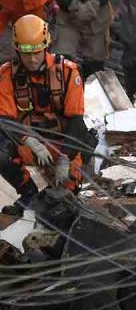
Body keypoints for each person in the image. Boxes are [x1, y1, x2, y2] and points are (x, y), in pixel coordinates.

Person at [0, 15, 89, 215]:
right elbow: (4, 119)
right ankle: (28, 192)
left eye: (37, 53)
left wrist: (65, 158)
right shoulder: (6, 75)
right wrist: (29, 140)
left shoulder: (68, 72)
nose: (32, 59)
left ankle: (68, 186)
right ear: (17, 50)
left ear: (46, 47)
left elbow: (76, 121)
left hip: (63, 144)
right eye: (26, 53)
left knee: (63, 202)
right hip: (28, 143)